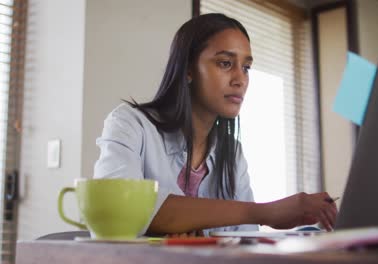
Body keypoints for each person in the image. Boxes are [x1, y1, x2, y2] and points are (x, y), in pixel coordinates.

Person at [94, 13, 337, 237]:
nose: (240, 79)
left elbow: (246, 242)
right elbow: (119, 212)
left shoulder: (233, 152)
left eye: (246, 67)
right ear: (188, 69)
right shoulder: (129, 124)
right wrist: (264, 211)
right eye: (224, 63)